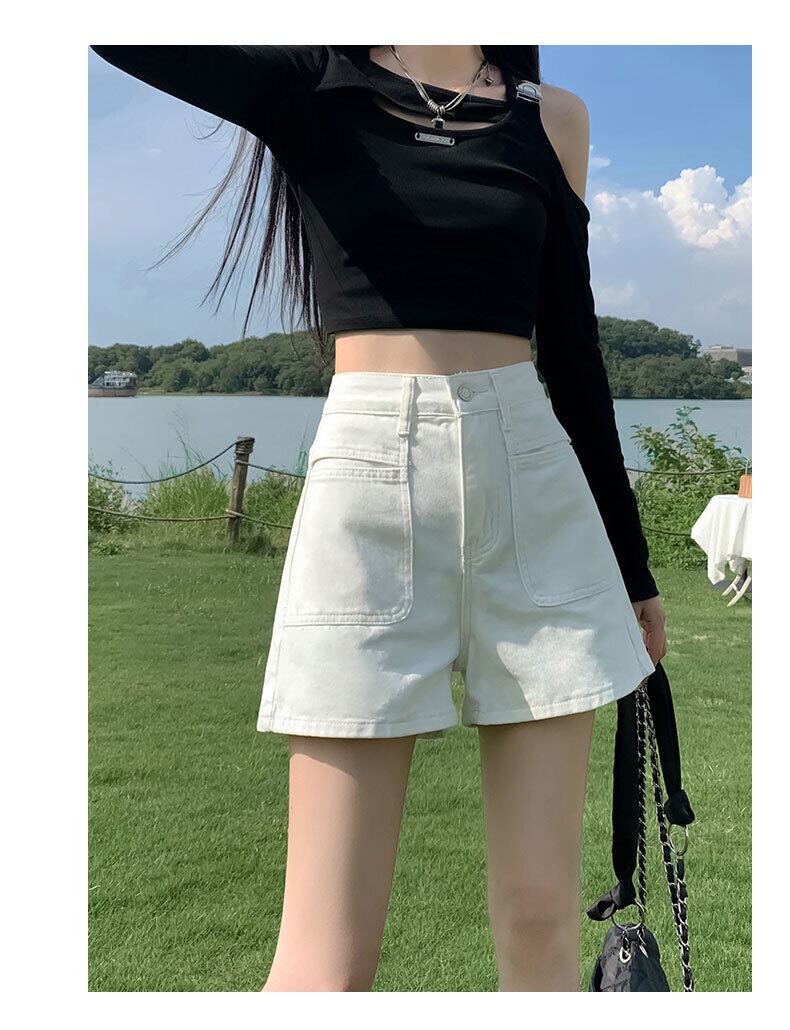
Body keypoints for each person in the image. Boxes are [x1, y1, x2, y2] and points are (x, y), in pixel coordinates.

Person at [90, 44, 666, 992]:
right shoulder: (309, 81)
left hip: (536, 486)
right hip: (366, 489)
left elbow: (573, 347)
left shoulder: (551, 116)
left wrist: (633, 567)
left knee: (543, 920)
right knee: (324, 958)